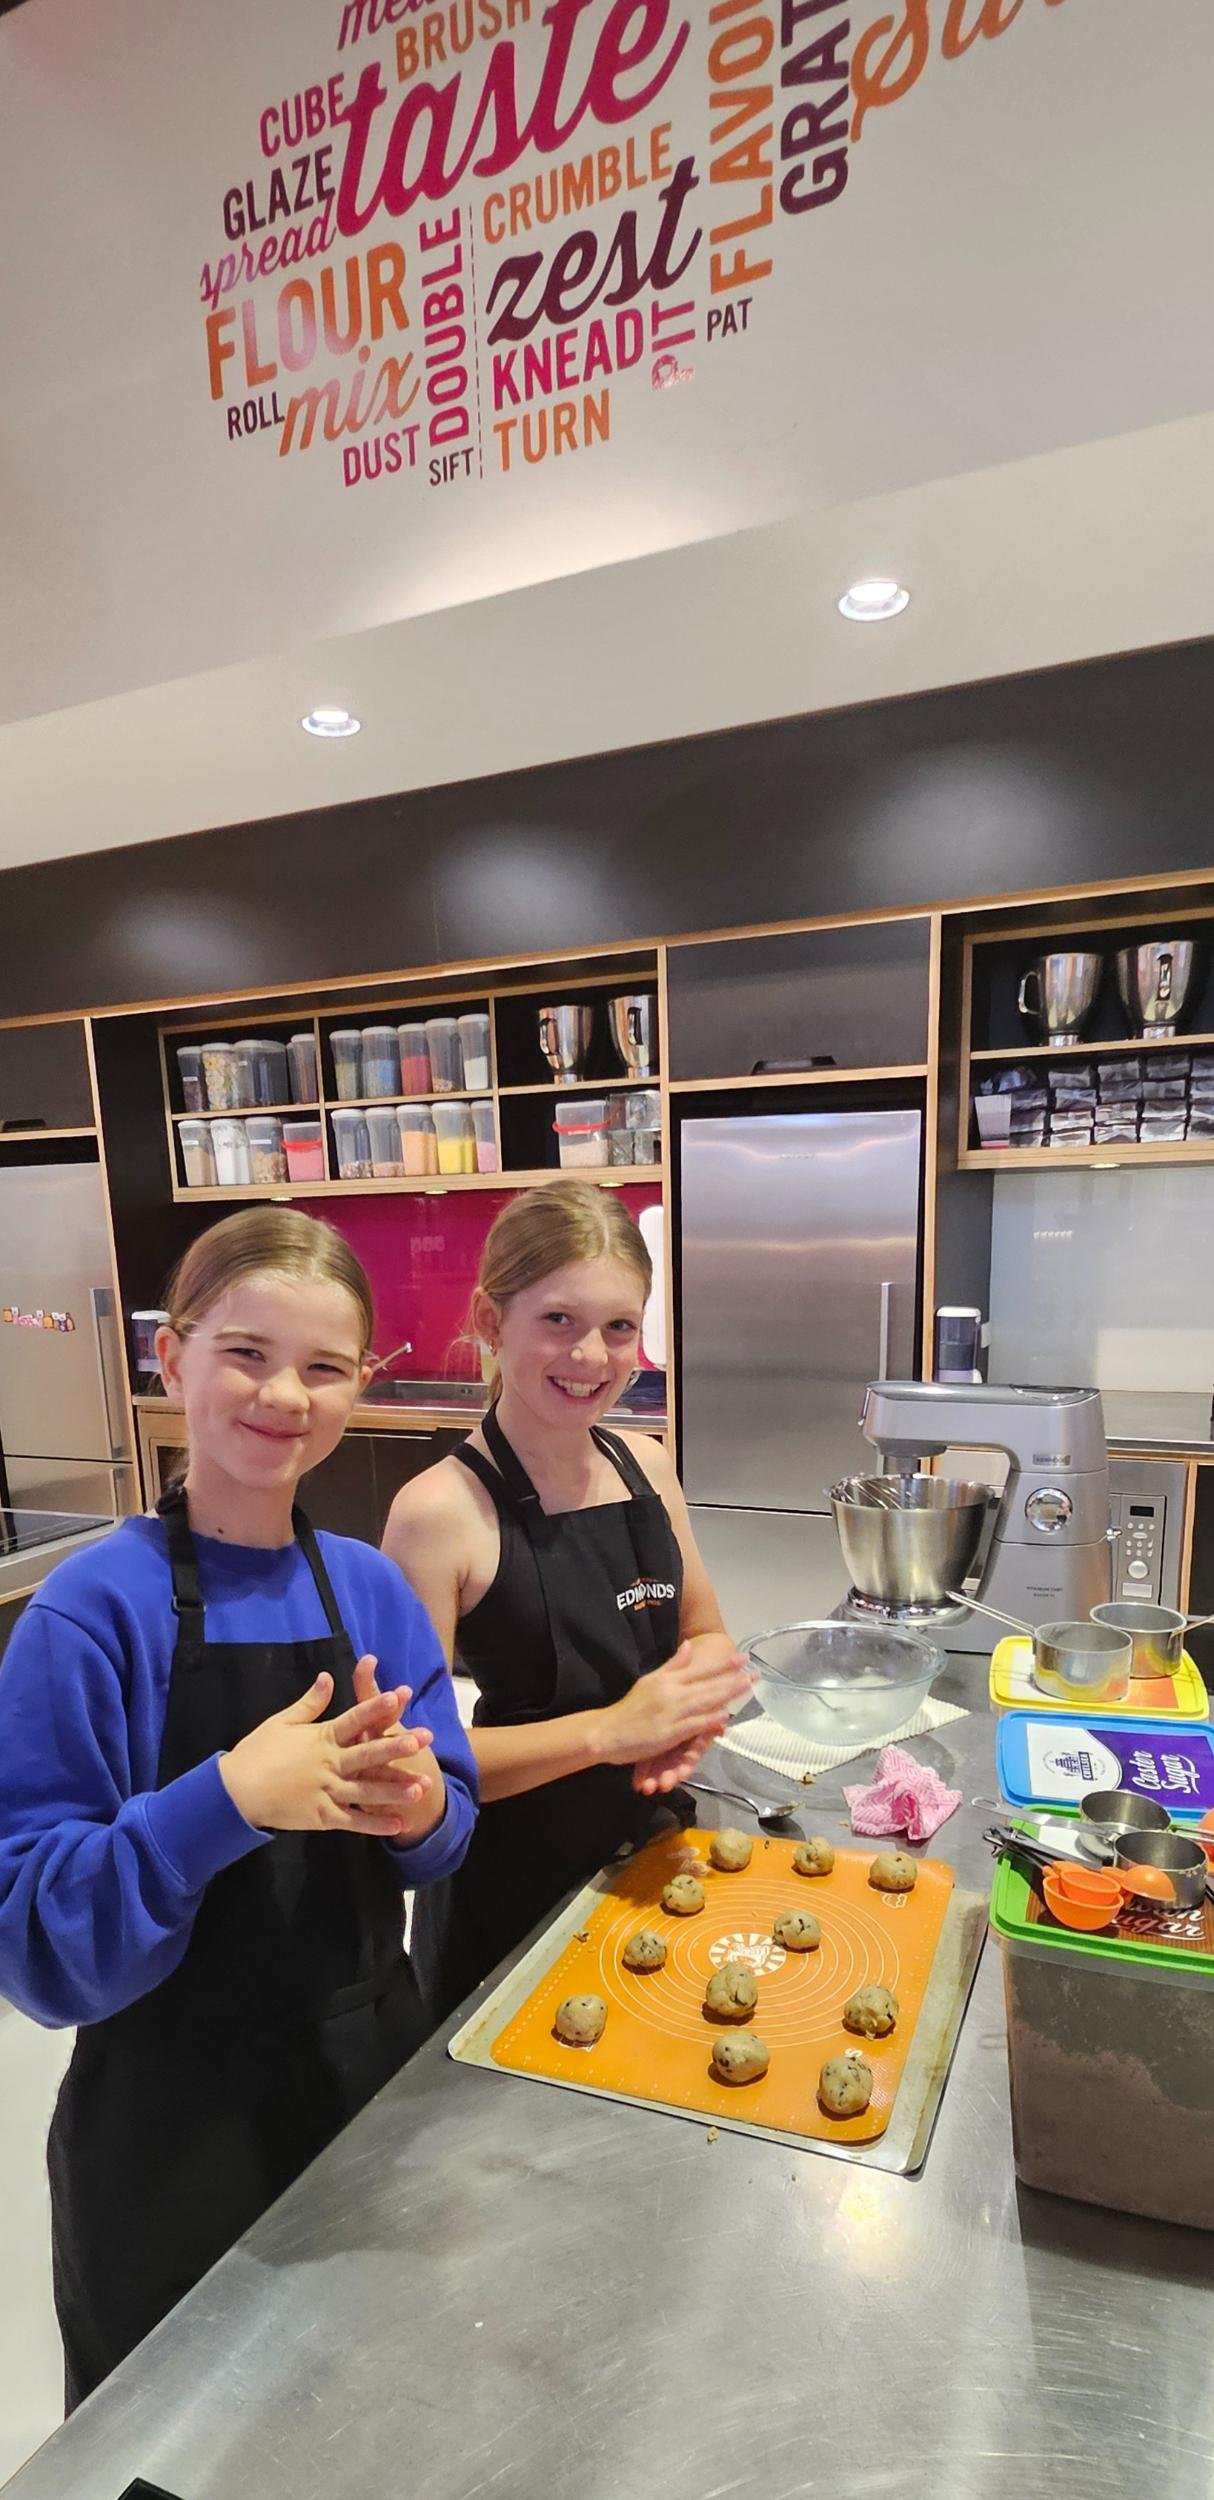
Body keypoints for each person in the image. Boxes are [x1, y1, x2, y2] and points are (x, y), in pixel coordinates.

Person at [0, 1207, 477, 2410]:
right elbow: (40, 1950)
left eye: (325, 1366)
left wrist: (421, 1808)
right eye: (246, 1353)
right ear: (171, 1357)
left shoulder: (371, 1590)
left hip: (368, 2081)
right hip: (170, 2129)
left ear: (360, 1385)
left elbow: (450, 1826)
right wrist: (224, 1800)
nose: (284, 1395)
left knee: (369, 2413)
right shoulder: (88, 1615)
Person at [382, 1181, 750, 2028]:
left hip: (654, 1857)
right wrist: (611, 1731)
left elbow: (703, 1633)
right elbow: (410, 1766)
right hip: (511, 1900)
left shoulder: (646, 1465)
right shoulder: (439, 1512)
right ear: (490, 1319)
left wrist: (689, 1711)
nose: (591, 1355)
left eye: (618, 1326)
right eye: (558, 1320)